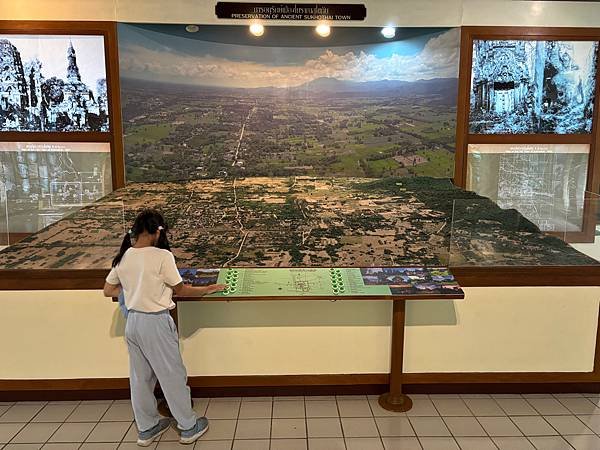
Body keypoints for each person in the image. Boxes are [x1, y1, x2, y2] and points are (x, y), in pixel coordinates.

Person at [103, 209, 226, 446]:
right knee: (172, 375)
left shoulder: (125, 255)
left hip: (134, 323)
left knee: (140, 378)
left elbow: (108, 290)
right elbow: (181, 290)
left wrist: (134, 293)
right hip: (156, 322)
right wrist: (208, 289)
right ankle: (188, 426)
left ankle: (146, 428)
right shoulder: (161, 256)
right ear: (156, 232)